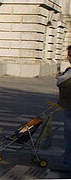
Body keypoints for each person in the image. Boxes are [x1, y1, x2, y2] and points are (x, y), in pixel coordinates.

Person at [56, 45, 71, 173]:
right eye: (69, 54)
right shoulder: (69, 70)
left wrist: (61, 78)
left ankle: (68, 163)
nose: (69, 57)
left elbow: (62, 83)